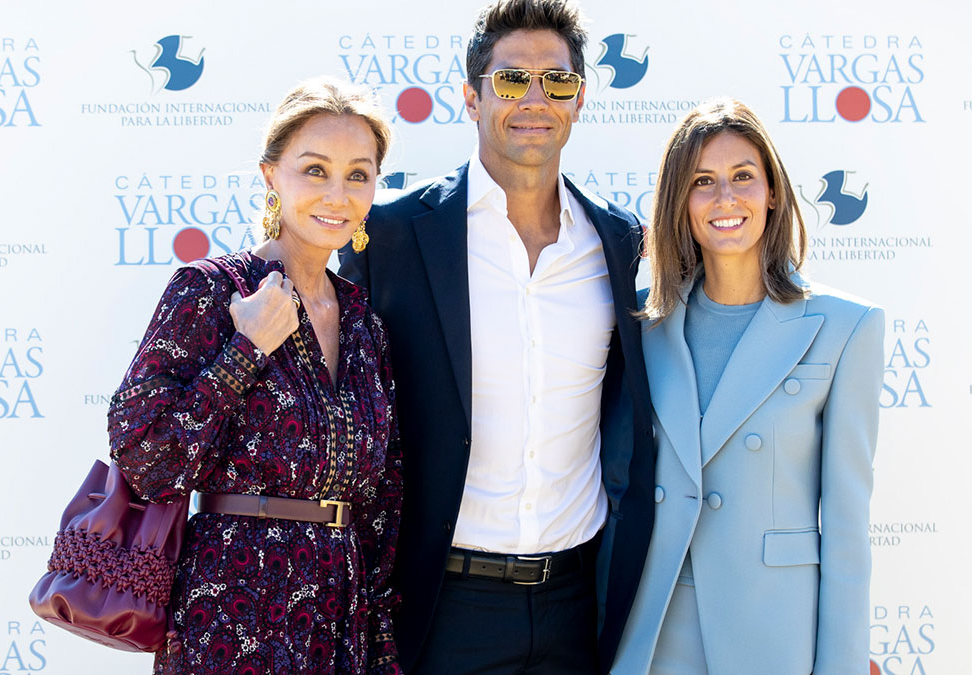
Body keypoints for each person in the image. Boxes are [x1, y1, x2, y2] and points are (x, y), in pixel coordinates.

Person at [338, 1, 654, 673]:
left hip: (578, 604)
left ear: (580, 100)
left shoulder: (618, 243)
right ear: (470, 98)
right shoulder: (391, 238)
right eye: (511, 80)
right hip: (442, 605)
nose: (535, 99)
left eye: (557, 81)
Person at [107, 78, 403, 675]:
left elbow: (382, 501)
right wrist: (246, 350)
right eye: (314, 170)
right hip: (231, 610)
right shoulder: (212, 290)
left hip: (338, 619)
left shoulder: (365, 321)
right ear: (271, 176)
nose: (337, 194)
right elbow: (143, 456)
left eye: (358, 174)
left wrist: (380, 645)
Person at [612, 98, 884, 674]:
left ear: (773, 193)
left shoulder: (845, 327)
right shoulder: (641, 324)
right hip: (655, 627)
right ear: (679, 203)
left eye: (743, 177)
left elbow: (846, 526)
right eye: (702, 181)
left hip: (772, 628)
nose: (726, 199)